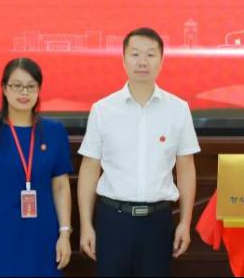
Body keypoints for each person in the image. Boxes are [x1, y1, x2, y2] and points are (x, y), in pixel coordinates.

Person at [77, 27, 200, 277]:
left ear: (161, 61)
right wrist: (86, 225)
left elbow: (186, 168)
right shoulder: (103, 110)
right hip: (113, 220)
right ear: (123, 60)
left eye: (150, 55)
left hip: (158, 222)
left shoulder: (178, 109)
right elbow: (89, 169)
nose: (142, 62)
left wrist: (185, 223)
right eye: (135, 54)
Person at [0, 58, 73, 276]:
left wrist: (65, 234)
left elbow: (61, 186)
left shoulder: (54, 131)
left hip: (42, 234)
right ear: (4, 88)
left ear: (39, 89)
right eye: (17, 86)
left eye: (31, 86)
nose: (24, 92)